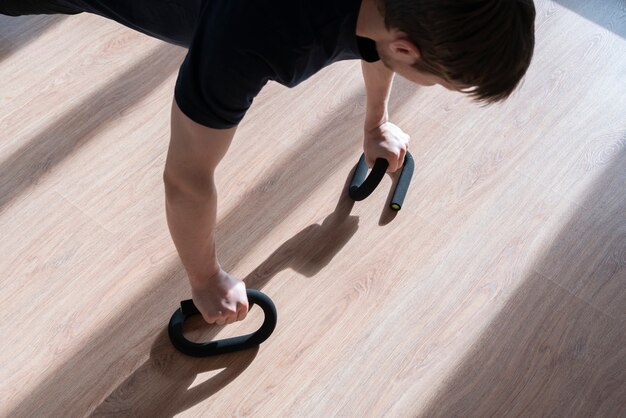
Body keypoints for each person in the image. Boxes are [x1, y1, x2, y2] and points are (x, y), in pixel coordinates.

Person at [1, 0, 536, 326]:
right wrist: (206, 278)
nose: (438, 88)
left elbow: (380, 42)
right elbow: (187, 179)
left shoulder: (394, 15)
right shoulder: (264, 28)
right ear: (407, 48)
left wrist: (376, 123)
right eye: (442, 82)